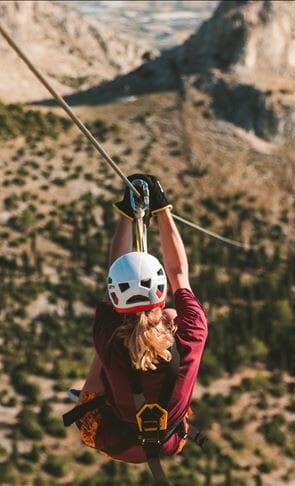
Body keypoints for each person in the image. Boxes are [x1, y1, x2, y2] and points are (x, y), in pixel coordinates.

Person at [66, 174, 208, 467]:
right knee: (165, 319)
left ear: (116, 294)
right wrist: (162, 209)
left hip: (114, 437)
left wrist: (126, 216)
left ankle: (95, 391)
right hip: (167, 439)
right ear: (160, 291)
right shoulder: (191, 331)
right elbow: (178, 273)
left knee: (109, 349)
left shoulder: (109, 335)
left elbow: (114, 271)